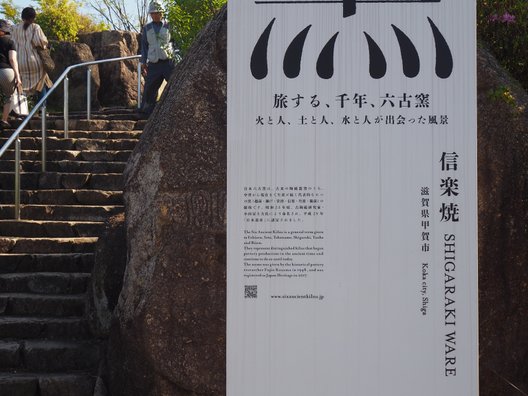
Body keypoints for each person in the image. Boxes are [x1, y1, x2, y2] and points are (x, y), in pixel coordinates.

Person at [10, 7, 52, 104]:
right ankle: (42, 108)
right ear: (33, 17)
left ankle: (23, 110)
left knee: (22, 86)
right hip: (34, 61)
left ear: (22, 17)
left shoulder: (14, 28)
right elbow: (42, 42)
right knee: (42, 83)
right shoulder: (35, 27)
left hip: (20, 62)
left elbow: (11, 42)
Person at [140, 1, 176, 116]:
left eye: (157, 12)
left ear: (161, 12)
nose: (154, 15)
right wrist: (143, 62)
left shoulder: (169, 25)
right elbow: (144, 46)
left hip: (168, 62)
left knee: (175, 84)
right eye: (152, 13)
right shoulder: (147, 28)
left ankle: (176, 109)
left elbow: (176, 43)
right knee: (149, 88)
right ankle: (146, 111)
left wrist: (178, 58)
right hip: (153, 63)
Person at [0, 20, 22, 129]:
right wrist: (18, 76)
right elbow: (12, 59)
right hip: (6, 71)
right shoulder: (10, 42)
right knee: (8, 96)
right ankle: (4, 120)